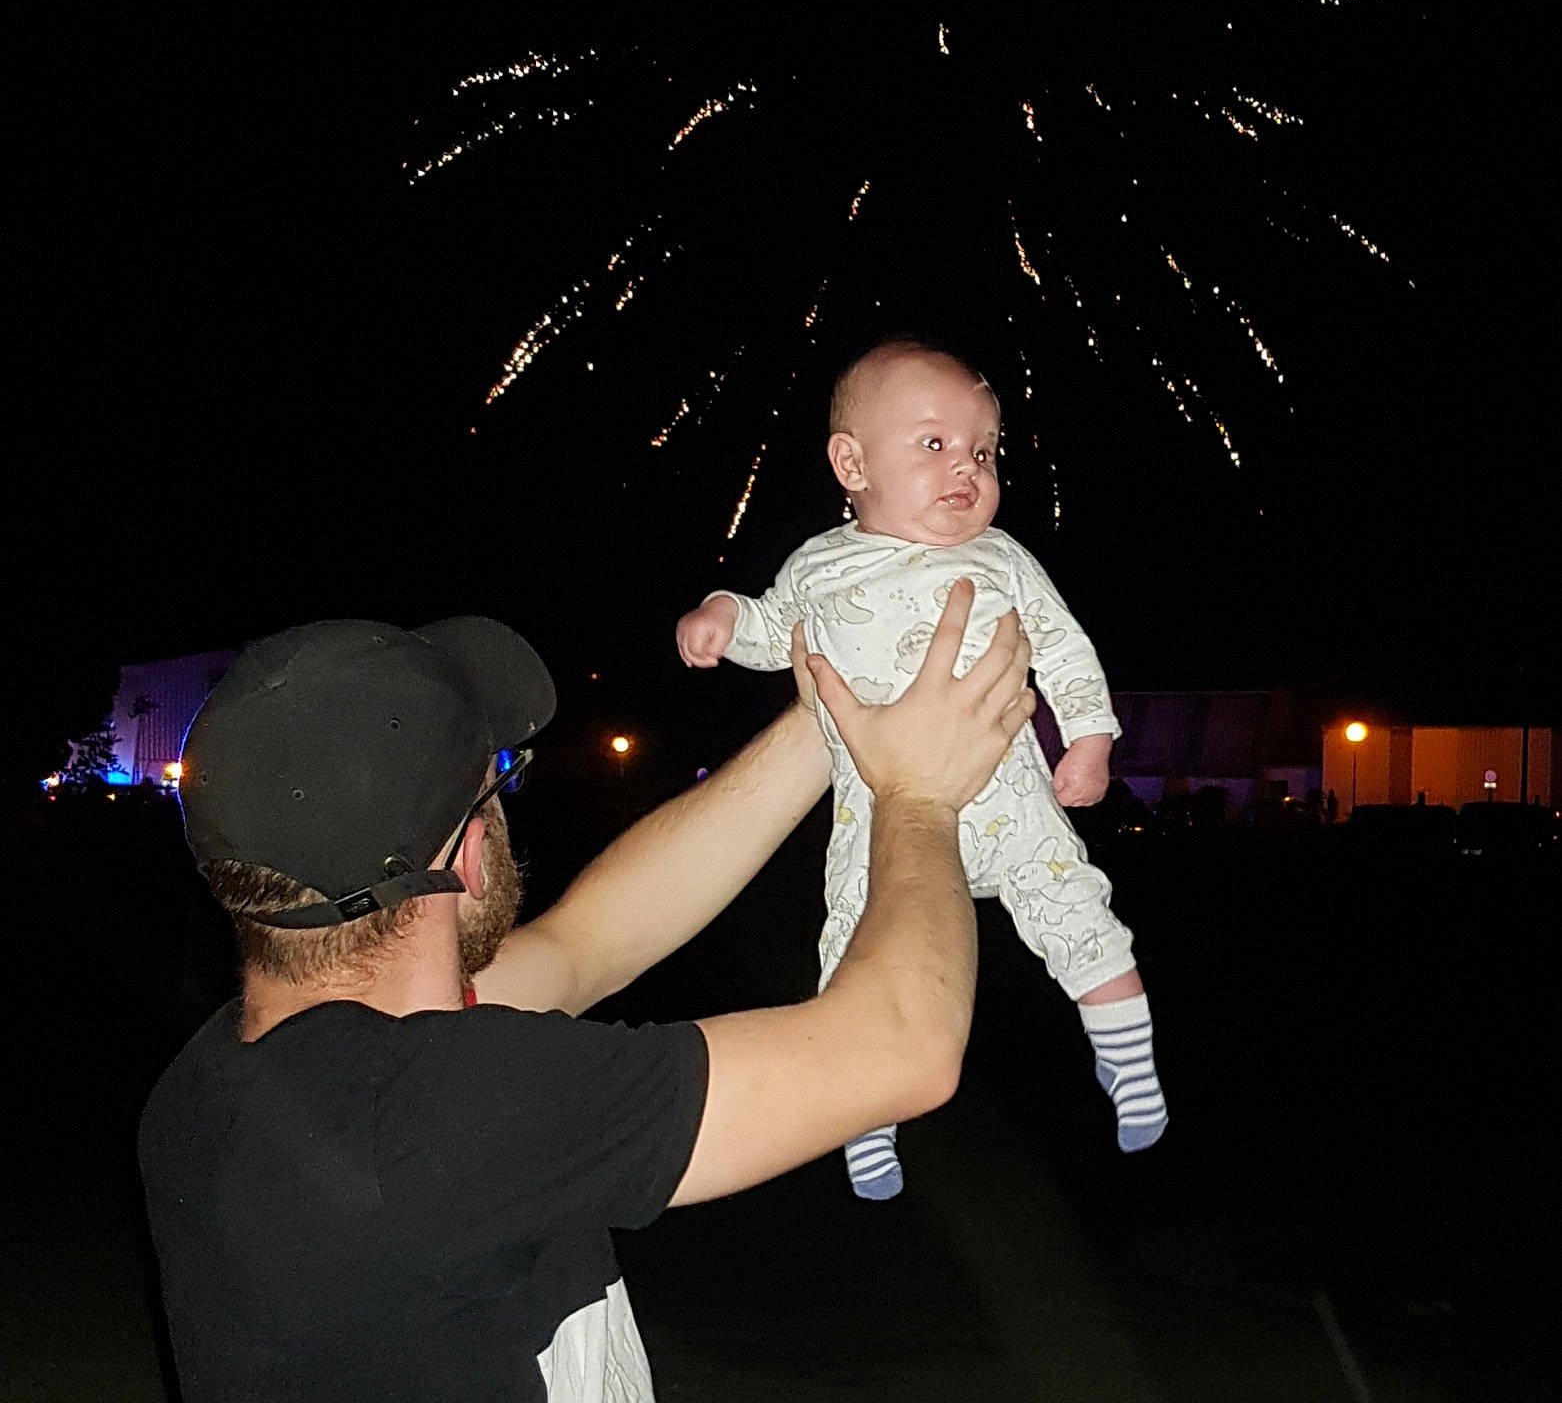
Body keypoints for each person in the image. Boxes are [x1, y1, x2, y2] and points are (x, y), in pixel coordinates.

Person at [139, 595, 1032, 1403]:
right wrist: (920, 796)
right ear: (466, 857)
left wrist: (828, 722)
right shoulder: (446, 1118)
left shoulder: (224, 1083)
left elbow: (591, 943)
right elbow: (902, 1046)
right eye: (499, 788)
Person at [677, 337, 1168, 1201]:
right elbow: (773, 632)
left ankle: (1130, 1062)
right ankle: (865, 1121)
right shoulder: (818, 566)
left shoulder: (1005, 559)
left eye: (984, 452)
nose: (966, 469)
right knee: (855, 949)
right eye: (935, 444)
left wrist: (1089, 736)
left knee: (1082, 916)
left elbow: (1062, 647)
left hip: (1011, 800)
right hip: (879, 816)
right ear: (851, 463)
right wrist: (723, 617)